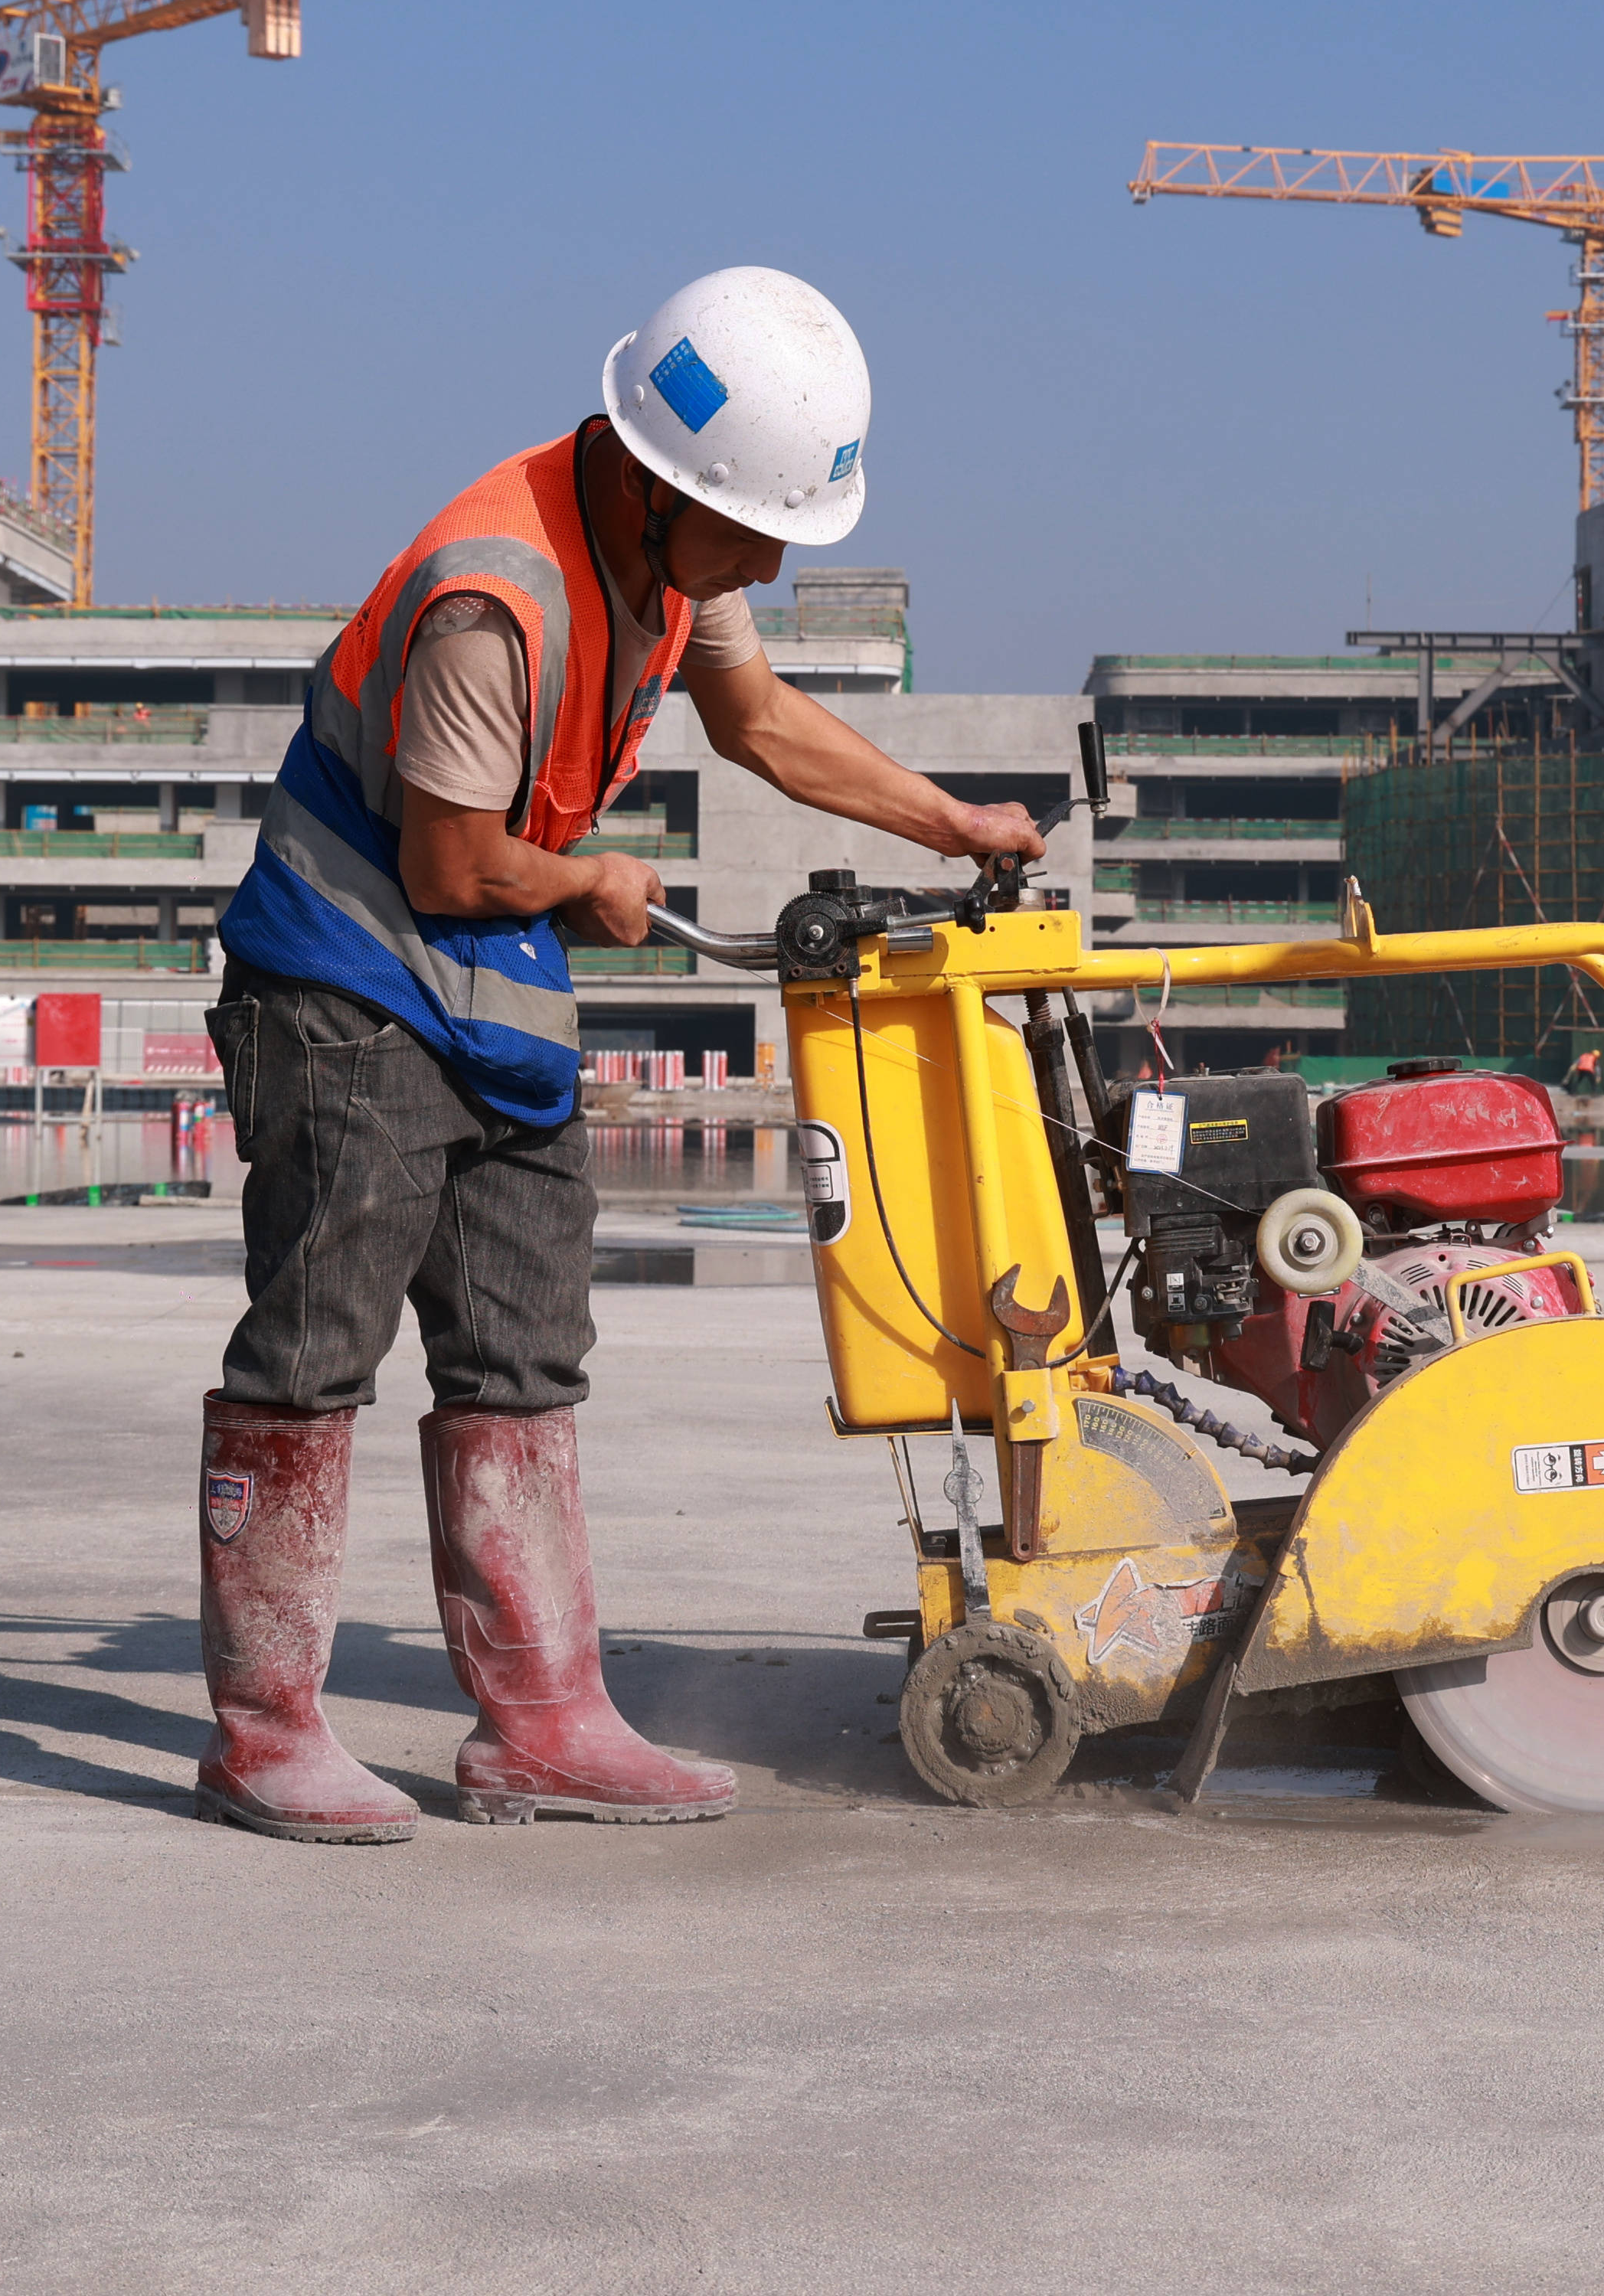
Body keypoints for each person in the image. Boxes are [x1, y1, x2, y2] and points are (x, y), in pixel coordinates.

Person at [195, 267, 1046, 1844]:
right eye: (759, 531)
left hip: (488, 983)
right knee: (314, 1349)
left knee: (525, 1345)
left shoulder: (675, 543)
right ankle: (265, 1733)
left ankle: (543, 1722)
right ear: (660, 484)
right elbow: (452, 868)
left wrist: (954, 821)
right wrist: (590, 882)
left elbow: (761, 722)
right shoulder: (490, 601)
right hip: (344, 983)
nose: (778, 564)